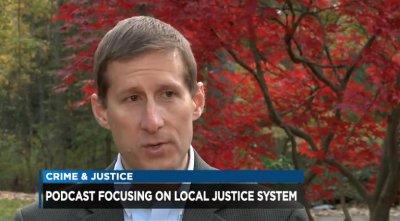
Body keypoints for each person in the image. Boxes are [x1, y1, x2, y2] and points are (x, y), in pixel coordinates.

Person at [13, 16, 309, 221]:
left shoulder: (276, 215)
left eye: (168, 94)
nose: (152, 122)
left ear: (197, 101)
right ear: (102, 111)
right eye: (132, 98)